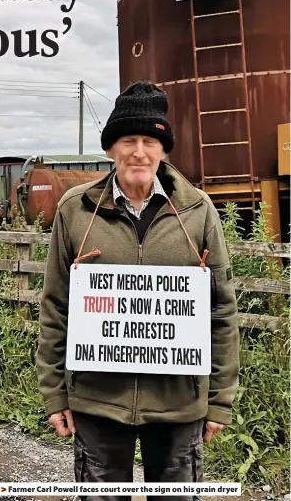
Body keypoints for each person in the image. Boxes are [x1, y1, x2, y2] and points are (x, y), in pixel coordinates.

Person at [36, 80, 239, 501]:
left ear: (164, 149)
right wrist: (56, 394)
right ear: (111, 148)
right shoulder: (76, 210)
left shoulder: (198, 210)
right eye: (128, 139)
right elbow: (56, 305)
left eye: (150, 140)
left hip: (179, 403)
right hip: (97, 402)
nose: (139, 152)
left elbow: (221, 311)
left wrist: (219, 400)